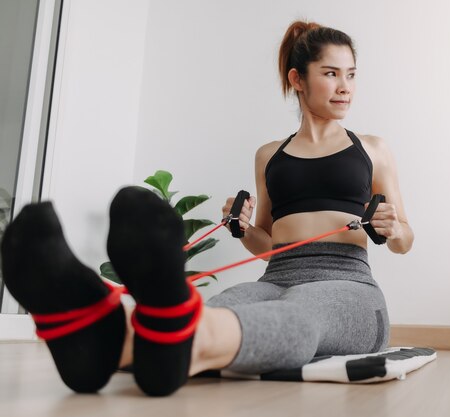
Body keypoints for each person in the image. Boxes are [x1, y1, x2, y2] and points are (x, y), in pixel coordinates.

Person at [0, 20, 413, 397]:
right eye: (331, 73)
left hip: (349, 286)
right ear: (297, 79)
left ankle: (153, 346)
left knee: (301, 317)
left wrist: (393, 228)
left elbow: (405, 241)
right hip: (277, 275)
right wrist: (241, 226)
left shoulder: (372, 149)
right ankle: (99, 348)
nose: (345, 86)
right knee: (220, 307)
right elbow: (265, 241)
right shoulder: (270, 155)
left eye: (351, 75)